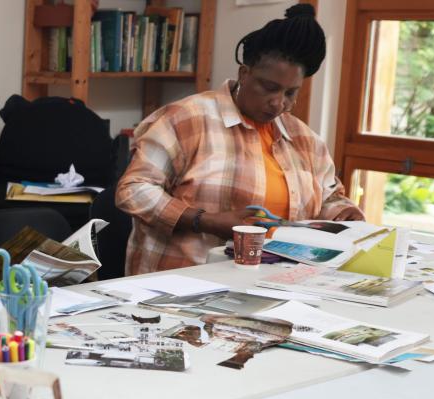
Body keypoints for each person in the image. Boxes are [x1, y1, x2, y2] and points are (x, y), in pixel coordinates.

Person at [116, 4, 364, 275]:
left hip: (274, 283)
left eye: (291, 93)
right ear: (244, 74)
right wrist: (205, 221)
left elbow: (329, 198)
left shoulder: (305, 140)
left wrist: (344, 212)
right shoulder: (186, 119)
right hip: (183, 284)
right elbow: (133, 190)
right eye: (270, 88)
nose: (278, 103)